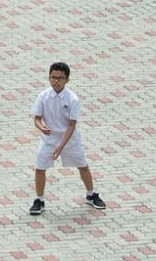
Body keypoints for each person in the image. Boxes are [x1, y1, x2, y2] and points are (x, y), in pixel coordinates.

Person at [29, 62, 105, 215]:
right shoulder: (43, 96)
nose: (56, 81)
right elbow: (36, 117)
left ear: (67, 80)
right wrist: (41, 127)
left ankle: (91, 194)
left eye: (60, 78)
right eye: (53, 77)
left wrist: (61, 147)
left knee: (83, 165)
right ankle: (39, 199)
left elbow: (71, 125)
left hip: (69, 139)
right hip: (49, 139)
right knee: (40, 168)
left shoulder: (72, 99)